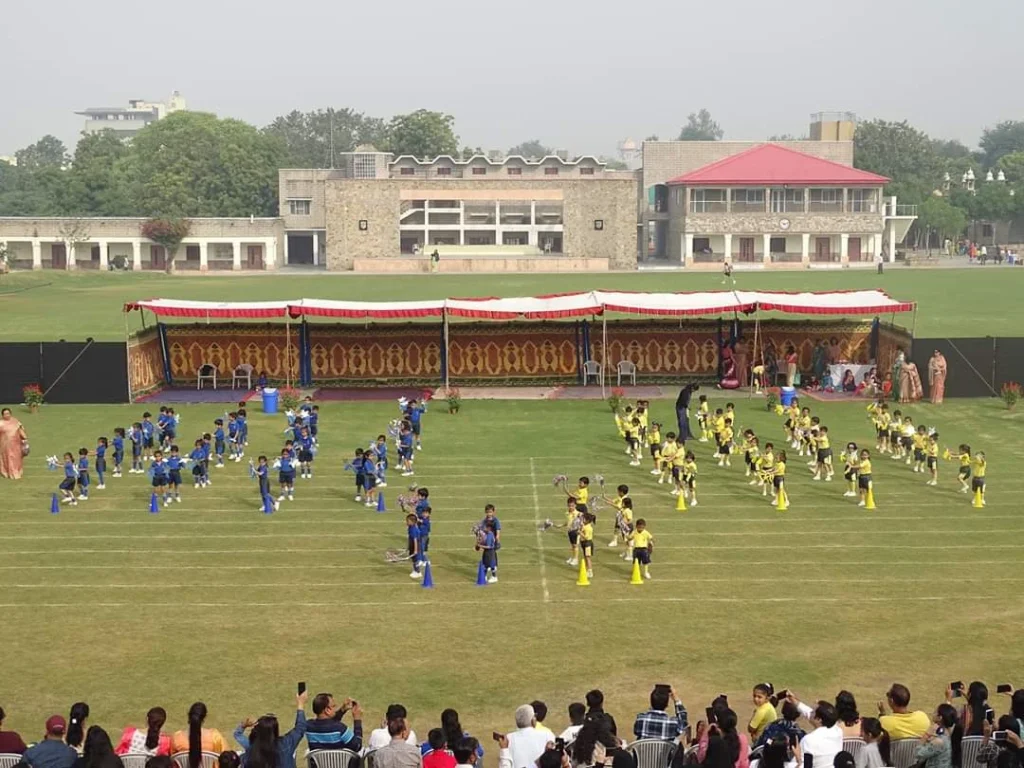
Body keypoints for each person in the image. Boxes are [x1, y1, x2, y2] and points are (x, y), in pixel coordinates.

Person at [233, 690, 308, 768]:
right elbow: (300, 728)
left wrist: (243, 725)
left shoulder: (252, 747)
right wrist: (300, 704)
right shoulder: (286, 743)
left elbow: (237, 734)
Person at [171, 702, 230, 767]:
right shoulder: (215, 736)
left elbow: (172, 759)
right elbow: (228, 757)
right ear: (204, 718)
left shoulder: (177, 738)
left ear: (189, 716)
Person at [789, 697, 841, 768]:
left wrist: (798, 758)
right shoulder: (838, 731)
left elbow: (802, 766)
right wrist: (796, 702)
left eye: (812, 712)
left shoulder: (809, 740)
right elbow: (811, 714)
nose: (810, 712)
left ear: (819, 719)